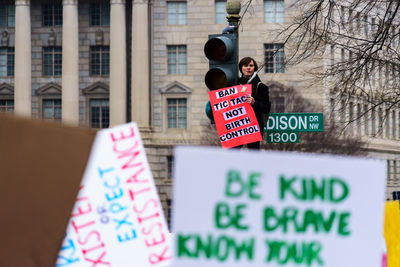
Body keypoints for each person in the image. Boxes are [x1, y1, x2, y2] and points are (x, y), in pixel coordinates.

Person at [234, 57, 271, 150]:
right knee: (232, 153)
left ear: (254, 68)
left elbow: (266, 108)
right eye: (245, 65)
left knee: (253, 154)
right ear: (241, 68)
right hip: (237, 126)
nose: (248, 68)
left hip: (253, 127)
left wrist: (254, 103)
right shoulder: (235, 85)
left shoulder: (261, 87)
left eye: (251, 65)